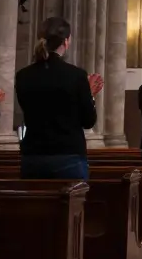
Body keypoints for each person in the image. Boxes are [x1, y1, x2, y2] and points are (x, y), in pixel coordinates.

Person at [15, 17, 103, 180]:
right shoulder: (76, 76)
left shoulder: (23, 76)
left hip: (33, 155)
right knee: (71, 205)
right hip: (67, 154)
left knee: (34, 206)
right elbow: (88, 120)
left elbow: (29, 110)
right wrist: (89, 94)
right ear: (66, 41)